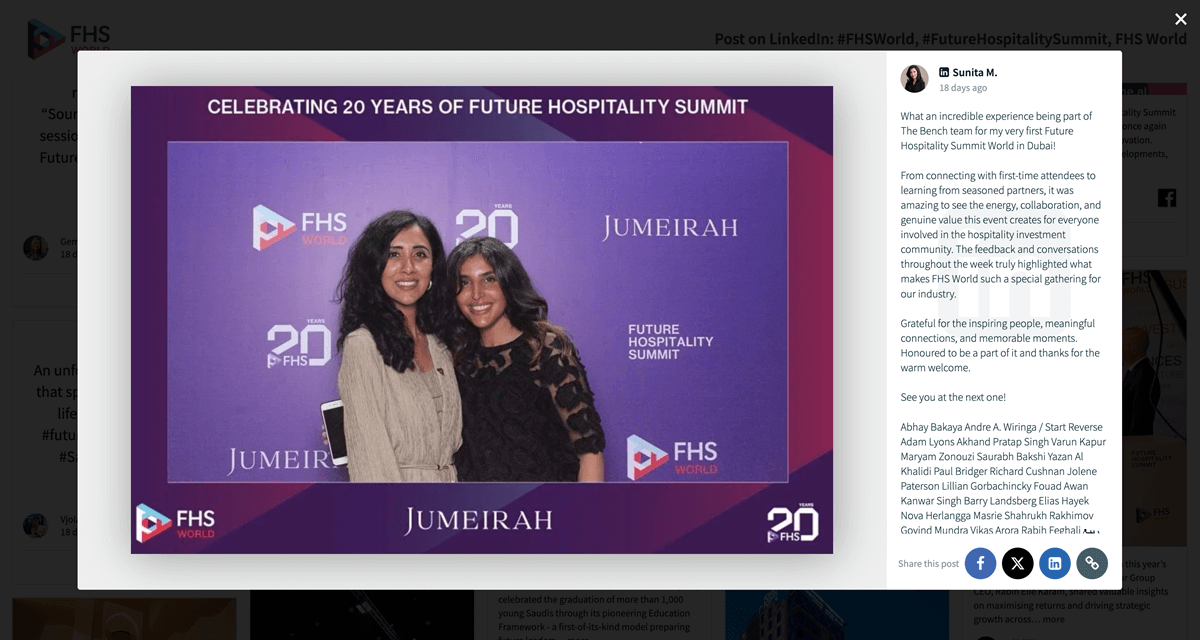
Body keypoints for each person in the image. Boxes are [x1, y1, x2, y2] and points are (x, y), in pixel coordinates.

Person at [445, 237, 605, 482]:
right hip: (480, 513)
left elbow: (589, 450)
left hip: (548, 512)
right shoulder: (456, 358)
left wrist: (585, 517)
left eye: (489, 279)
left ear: (508, 282)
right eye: (464, 283)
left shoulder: (544, 348)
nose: (476, 294)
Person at [335, 211, 462, 481]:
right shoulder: (363, 346)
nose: (408, 267)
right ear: (375, 266)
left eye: (420, 254)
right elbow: (371, 462)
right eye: (394, 254)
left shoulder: (440, 344)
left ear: (433, 268)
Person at [1122, 326, 1160, 436]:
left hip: (1134, 447)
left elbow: (1139, 423)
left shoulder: (1144, 375)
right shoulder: (1134, 371)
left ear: (1133, 350)